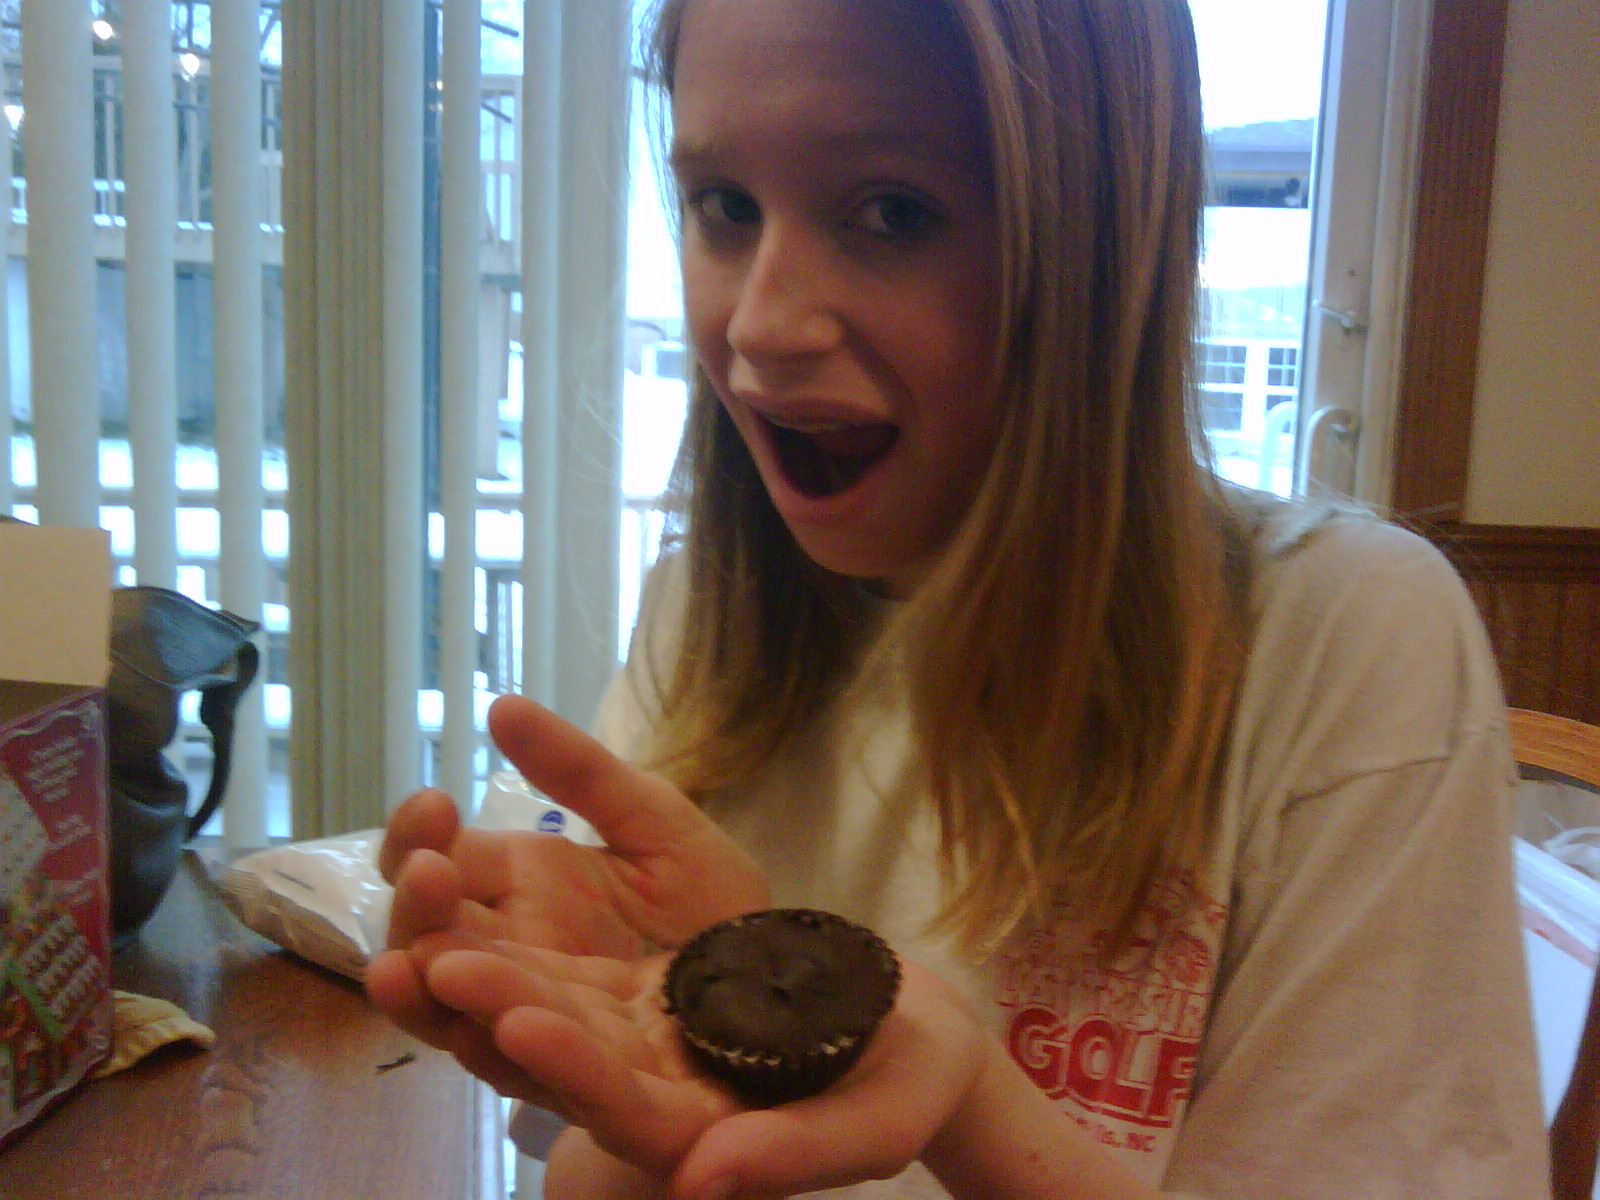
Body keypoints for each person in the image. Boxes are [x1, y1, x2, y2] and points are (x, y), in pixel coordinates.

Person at [366, 0, 1552, 1196]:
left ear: (1098, 258)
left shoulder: (1340, 640)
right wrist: (675, 1072)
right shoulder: (705, 622)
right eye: (724, 206)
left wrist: (969, 1107)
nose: (761, 329)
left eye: (891, 213)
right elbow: (584, 1177)